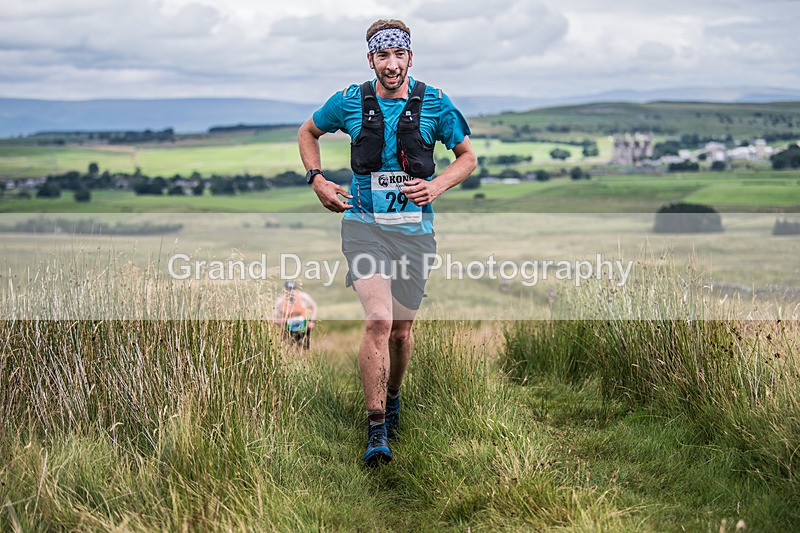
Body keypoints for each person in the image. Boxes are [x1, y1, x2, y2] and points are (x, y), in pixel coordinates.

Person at [297, 19, 477, 467]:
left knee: (400, 330)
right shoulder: (350, 102)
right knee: (378, 319)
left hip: (414, 233)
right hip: (364, 226)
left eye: (399, 55)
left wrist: (436, 187)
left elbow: (467, 158)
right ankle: (376, 429)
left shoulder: (436, 102)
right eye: (383, 55)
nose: (391, 64)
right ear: (371, 59)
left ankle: (393, 397)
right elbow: (307, 132)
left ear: (410, 58)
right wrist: (317, 179)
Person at [272, 280, 318, 349]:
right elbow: (273, 315)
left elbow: (314, 306)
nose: (291, 292)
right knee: (288, 348)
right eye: (289, 290)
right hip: (288, 329)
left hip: (303, 327)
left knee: (303, 348)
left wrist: (311, 321)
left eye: (293, 290)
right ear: (285, 290)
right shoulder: (280, 300)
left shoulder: (303, 297)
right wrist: (278, 322)